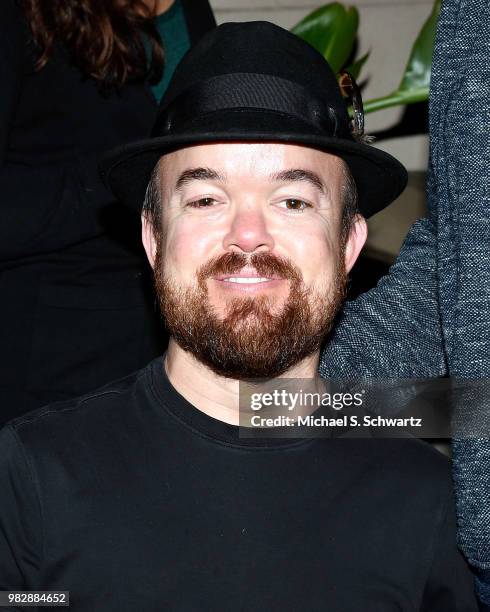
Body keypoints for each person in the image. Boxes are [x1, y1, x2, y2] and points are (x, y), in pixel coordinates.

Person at [0, 22, 478, 610]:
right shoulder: (30, 478)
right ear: (151, 238)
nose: (248, 234)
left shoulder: (425, 504)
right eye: (206, 199)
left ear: (351, 244)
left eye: (293, 200)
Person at [0, 0, 215, 425]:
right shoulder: (24, 14)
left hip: (174, 347)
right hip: (53, 363)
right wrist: (123, 176)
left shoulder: (189, 9)